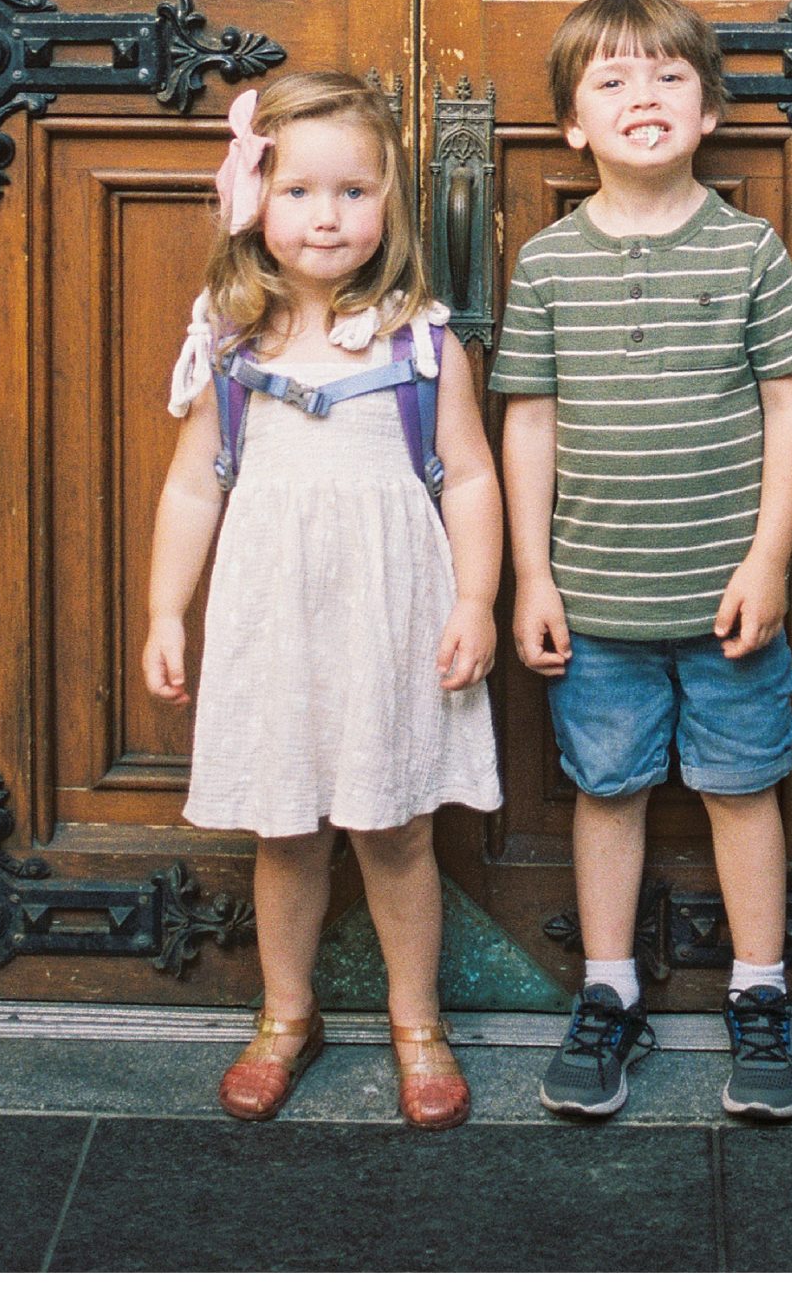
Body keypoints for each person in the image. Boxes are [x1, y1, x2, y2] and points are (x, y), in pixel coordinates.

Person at [493, 0, 792, 1123]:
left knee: (741, 789)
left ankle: (759, 991)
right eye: (610, 79)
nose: (643, 95)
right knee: (608, 789)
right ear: (573, 129)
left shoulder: (745, 248)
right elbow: (526, 421)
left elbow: (790, 405)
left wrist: (767, 558)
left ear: (709, 108)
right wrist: (531, 577)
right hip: (594, 606)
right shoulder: (546, 263)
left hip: (728, 597)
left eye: (668, 75)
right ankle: (607, 992)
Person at [143, 71, 503, 1129]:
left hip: (388, 623)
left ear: (388, 203)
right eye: (299, 190)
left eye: (352, 190)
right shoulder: (231, 344)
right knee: (284, 830)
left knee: (394, 830)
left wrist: (475, 598)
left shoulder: (423, 344)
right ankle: (284, 1014)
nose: (326, 214)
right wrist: (168, 608)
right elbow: (191, 482)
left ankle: (415, 1020)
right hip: (273, 624)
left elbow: (472, 477)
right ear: (254, 200)